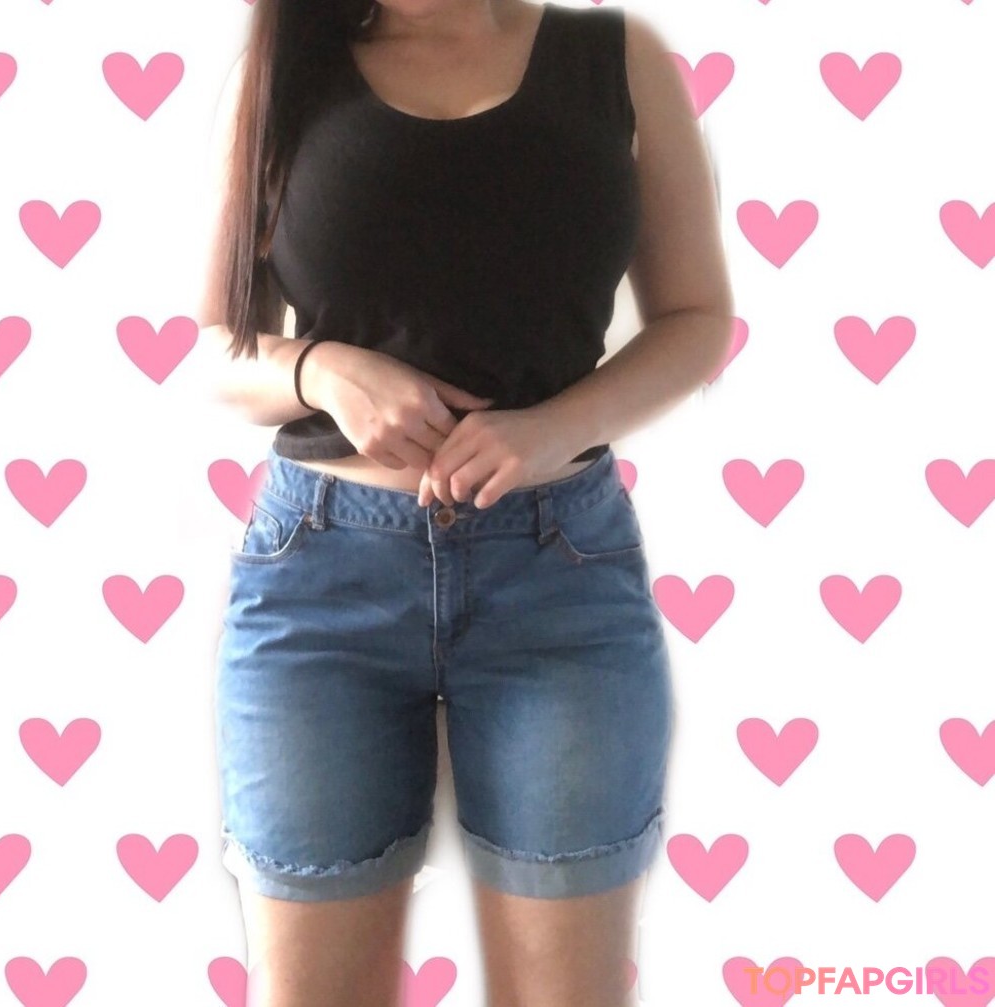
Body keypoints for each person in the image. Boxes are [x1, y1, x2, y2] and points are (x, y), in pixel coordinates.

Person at [196, 0, 733, 1004]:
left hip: (560, 579)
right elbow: (215, 348)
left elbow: (698, 317)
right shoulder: (286, 63)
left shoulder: (616, 59)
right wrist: (323, 371)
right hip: (320, 588)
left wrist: (555, 426)